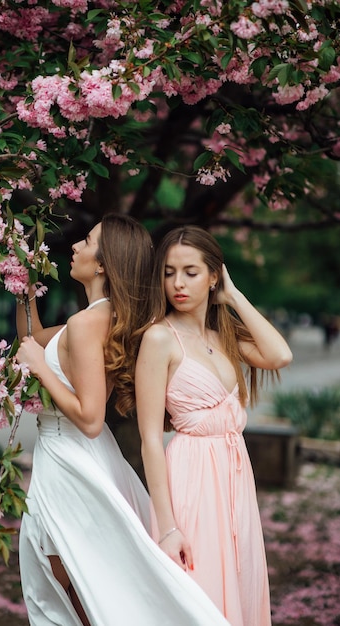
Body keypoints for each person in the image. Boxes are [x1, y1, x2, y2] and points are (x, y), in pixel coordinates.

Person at [15, 214, 230, 626]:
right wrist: (24, 292)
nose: (74, 246)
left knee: (70, 577)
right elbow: (35, 338)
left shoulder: (86, 323)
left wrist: (39, 369)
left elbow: (91, 417)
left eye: (87, 240)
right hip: (81, 455)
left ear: (102, 263)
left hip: (70, 457)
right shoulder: (106, 316)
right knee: (89, 574)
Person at [136, 225, 293, 626]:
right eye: (169, 272)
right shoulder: (159, 339)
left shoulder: (222, 335)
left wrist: (234, 296)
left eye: (191, 271)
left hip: (234, 475)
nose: (177, 283)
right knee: (199, 592)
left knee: (239, 581)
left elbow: (279, 355)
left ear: (213, 276)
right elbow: (151, 438)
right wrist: (168, 526)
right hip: (191, 475)